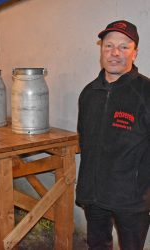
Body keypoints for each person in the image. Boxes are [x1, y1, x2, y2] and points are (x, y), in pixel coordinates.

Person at [76, 20, 150, 250]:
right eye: (108, 46)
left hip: (132, 200)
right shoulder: (89, 93)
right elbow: (85, 139)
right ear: (101, 50)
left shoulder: (146, 92)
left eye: (124, 47)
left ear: (135, 53)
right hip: (94, 197)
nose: (115, 53)